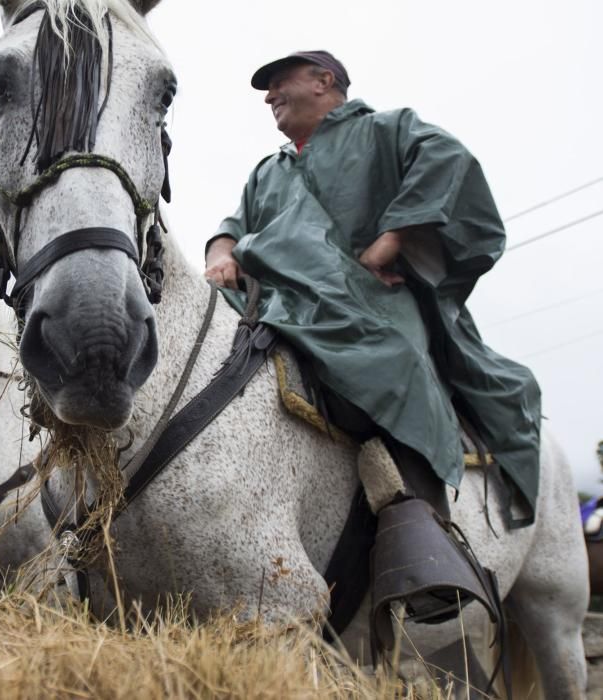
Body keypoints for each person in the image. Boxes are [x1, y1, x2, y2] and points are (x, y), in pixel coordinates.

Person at [205, 50, 541, 642]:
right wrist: (221, 253)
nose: (268, 97)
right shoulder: (269, 171)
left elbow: (449, 162)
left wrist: (391, 241)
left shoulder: (387, 130)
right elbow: (232, 226)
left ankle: (429, 549)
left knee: (395, 363)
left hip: (367, 302)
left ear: (323, 81)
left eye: (278, 83)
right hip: (277, 308)